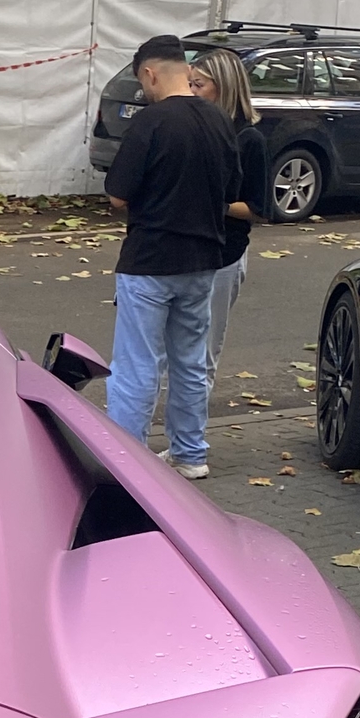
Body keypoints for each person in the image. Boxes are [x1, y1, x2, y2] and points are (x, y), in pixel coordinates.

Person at [102, 35, 239, 482]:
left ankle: (127, 460)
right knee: (190, 363)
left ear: (150, 73)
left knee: (137, 364)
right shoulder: (220, 122)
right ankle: (190, 454)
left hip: (150, 260)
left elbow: (118, 194)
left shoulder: (151, 122)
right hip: (203, 260)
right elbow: (232, 192)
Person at [190, 47, 264, 373]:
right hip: (185, 250)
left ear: (224, 86)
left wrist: (216, 206)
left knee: (204, 351)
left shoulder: (248, 139)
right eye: (189, 83)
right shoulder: (192, 129)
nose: (191, 91)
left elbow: (257, 208)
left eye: (199, 84)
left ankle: (193, 423)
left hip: (224, 255)